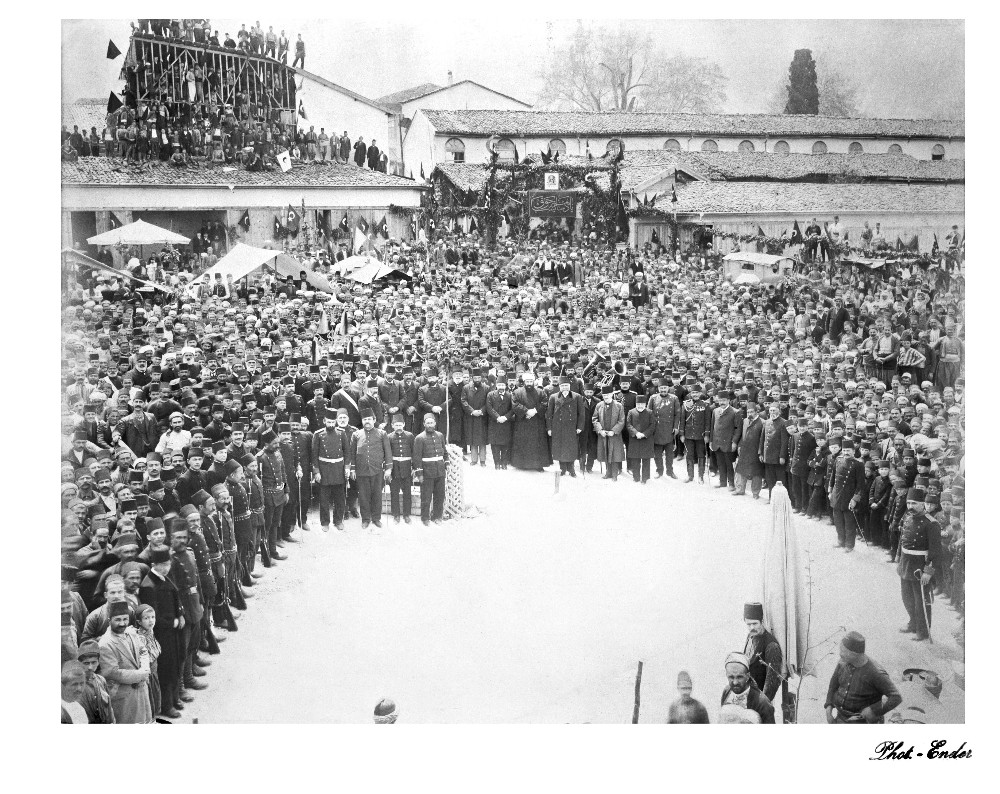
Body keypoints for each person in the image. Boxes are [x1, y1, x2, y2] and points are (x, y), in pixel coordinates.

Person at [824, 632, 902, 723]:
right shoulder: (843, 662)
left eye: (843, 651)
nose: (840, 654)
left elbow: (896, 697)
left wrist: (874, 710)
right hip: (841, 717)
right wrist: (828, 709)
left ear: (855, 654)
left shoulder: (876, 673)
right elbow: (833, 685)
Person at [98, 599, 153, 723]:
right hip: (124, 696)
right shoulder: (105, 643)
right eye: (117, 620)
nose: (122, 623)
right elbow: (113, 672)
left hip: (141, 690)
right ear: (109, 620)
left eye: (125, 619)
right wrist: (141, 674)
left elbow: (143, 650)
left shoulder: (131, 632)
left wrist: (145, 668)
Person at [897, 487, 941, 641]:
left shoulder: (932, 523)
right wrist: (899, 560)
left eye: (914, 503)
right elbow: (902, 540)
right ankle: (912, 623)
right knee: (907, 598)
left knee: (921, 601)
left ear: (923, 504)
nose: (910, 506)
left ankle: (923, 631)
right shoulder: (908, 517)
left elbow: (935, 551)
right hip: (906, 564)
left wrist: (928, 572)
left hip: (920, 567)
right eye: (908, 502)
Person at [348, 408, 391, 529]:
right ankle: (366, 519)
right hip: (361, 471)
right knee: (363, 495)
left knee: (377, 494)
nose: (367, 421)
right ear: (362, 421)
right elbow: (352, 453)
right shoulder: (356, 434)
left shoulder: (382, 434)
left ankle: (376, 518)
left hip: (377, 470)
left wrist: (388, 468)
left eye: (369, 419)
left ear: (374, 420)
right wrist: (352, 469)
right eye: (365, 419)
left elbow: (388, 452)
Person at [742, 602, 783, 703]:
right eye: (748, 624)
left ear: (762, 621)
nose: (752, 627)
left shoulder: (771, 646)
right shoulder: (750, 637)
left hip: (760, 703)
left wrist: (762, 706)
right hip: (747, 698)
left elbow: (772, 684)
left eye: (755, 623)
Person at [511, 372, 552, 471]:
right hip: (523, 423)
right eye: (527, 381)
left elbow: (545, 402)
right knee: (523, 443)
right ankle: (523, 465)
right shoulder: (517, 392)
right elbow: (515, 404)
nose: (529, 383)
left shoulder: (540, 392)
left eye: (531, 381)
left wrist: (535, 411)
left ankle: (538, 465)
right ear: (524, 382)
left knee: (538, 444)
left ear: (534, 381)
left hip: (537, 422)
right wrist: (526, 411)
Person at [720, 651, 774, 724]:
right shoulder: (727, 692)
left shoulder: (762, 703)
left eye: (739, 677)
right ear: (726, 675)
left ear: (748, 676)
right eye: (731, 677)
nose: (735, 682)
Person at [413, 413, 448, 525]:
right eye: (427, 423)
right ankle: (425, 518)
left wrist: (446, 464)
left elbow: (445, 452)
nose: (430, 425)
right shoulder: (419, 438)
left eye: (431, 422)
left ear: (435, 423)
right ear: (424, 424)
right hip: (427, 473)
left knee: (439, 495)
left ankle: (437, 517)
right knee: (426, 496)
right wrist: (420, 474)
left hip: (440, 471)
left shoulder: (440, 435)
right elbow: (417, 458)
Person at [548, 376, 586, 477]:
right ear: (559, 386)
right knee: (560, 448)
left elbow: (581, 414)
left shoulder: (577, 397)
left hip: (571, 427)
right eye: (563, 386)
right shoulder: (553, 397)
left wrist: (579, 427)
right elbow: (549, 414)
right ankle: (562, 468)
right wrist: (549, 428)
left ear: (569, 386)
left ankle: (571, 468)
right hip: (558, 427)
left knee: (571, 448)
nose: (565, 388)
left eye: (566, 385)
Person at [76, 639, 116, 723]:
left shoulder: (101, 680)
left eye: (93, 662)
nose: (90, 667)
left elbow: (109, 709)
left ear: (98, 662)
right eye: (86, 663)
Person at [388, 412, 414, 523]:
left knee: (407, 493)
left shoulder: (410, 436)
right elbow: (387, 454)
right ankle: (396, 515)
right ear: (392, 425)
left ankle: (407, 515)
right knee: (394, 493)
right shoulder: (388, 437)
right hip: (394, 470)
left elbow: (414, 453)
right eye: (396, 425)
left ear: (404, 424)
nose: (398, 427)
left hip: (407, 468)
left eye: (400, 425)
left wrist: (414, 468)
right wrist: (387, 470)